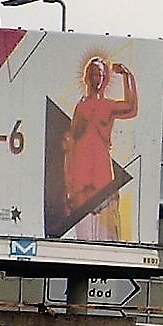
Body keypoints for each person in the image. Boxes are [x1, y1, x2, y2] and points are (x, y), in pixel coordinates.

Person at [59, 52, 139, 243]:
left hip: (103, 177)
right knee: (84, 239)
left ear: (105, 80)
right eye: (93, 74)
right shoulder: (80, 107)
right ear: (87, 77)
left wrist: (128, 76)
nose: (97, 79)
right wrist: (69, 185)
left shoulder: (108, 107)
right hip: (82, 179)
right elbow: (72, 145)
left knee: (109, 239)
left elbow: (131, 107)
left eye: (101, 75)